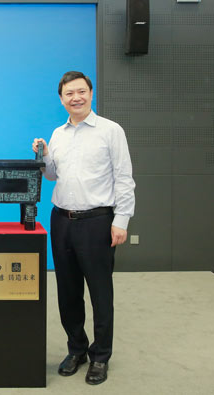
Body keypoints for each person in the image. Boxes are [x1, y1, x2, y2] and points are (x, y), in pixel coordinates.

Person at [32, 71, 135, 385]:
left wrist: (121, 220)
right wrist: (43, 154)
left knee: (100, 293)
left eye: (81, 92)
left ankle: (100, 356)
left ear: (91, 93)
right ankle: (76, 348)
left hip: (97, 221)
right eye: (69, 93)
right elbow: (52, 175)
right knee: (68, 292)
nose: (75, 98)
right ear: (61, 99)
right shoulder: (58, 133)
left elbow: (124, 178)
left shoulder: (110, 131)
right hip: (62, 220)